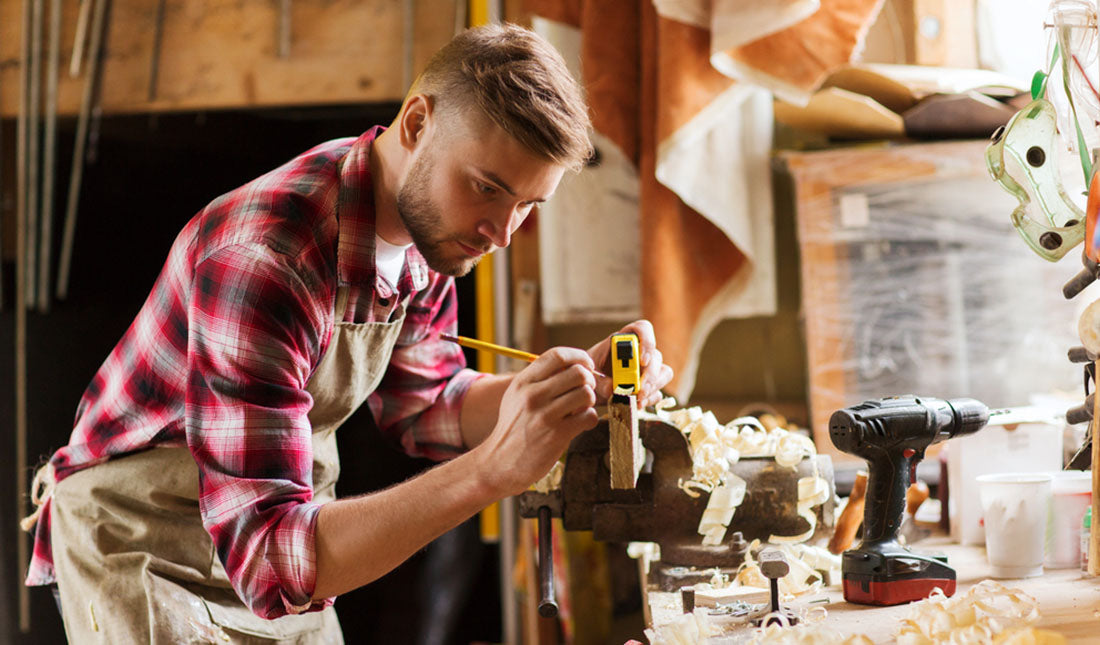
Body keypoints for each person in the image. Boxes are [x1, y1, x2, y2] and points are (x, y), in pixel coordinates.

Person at [22, 22, 674, 643]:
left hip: (278, 529)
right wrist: (490, 472)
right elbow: (271, 560)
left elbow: (427, 403)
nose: (501, 233)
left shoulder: (429, 227)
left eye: (527, 204)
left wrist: (560, 394)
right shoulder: (268, 261)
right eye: (487, 188)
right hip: (151, 544)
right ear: (417, 123)